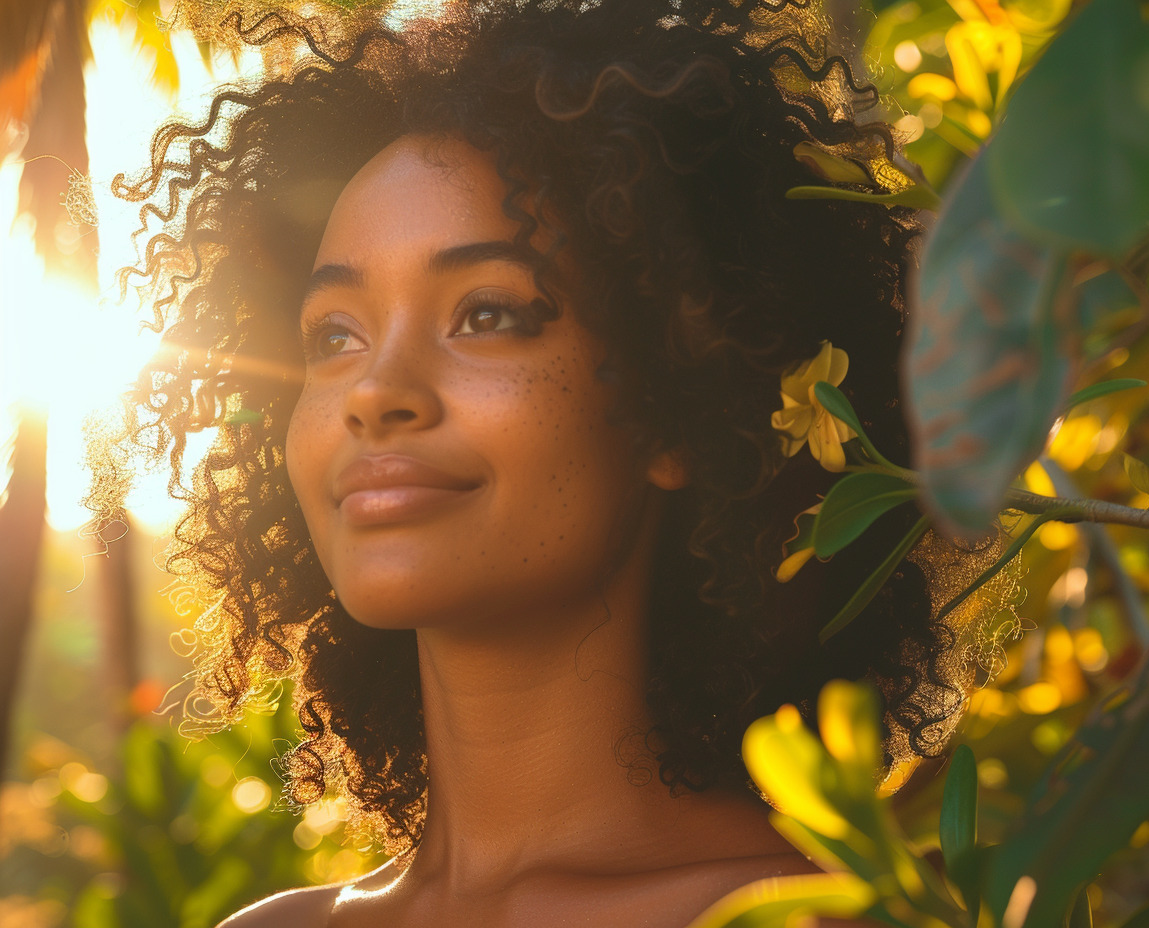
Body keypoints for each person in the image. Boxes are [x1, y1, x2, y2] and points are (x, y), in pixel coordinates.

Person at [92, 0, 965, 924]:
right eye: (334, 333)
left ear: (677, 404)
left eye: (486, 314)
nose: (373, 390)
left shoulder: (819, 916)